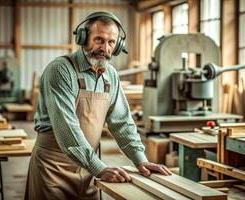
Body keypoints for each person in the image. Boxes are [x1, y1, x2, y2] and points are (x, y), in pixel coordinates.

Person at [24, 11, 171, 200]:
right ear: (83, 38)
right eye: (99, 40)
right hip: (53, 168)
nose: (105, 48)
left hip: (88, 170)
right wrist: (100, 168)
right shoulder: (60, 70)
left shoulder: (110, 76)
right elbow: (67, 129)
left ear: (118, 46)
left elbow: (122, 123)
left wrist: (140, 160)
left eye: (111, 42)